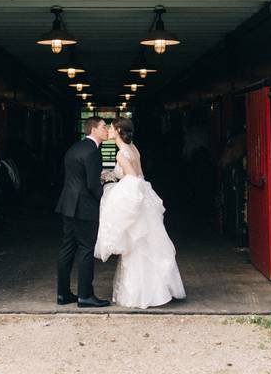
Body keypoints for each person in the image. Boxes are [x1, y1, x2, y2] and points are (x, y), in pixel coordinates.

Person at [95, 117, 186, 309]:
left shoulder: (121, 154)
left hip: (135, 200)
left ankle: (140, 294)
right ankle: (158, 289)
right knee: (149, 244)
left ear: (118, 130)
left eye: (111, 129)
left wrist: (111, 192)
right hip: (145, 199)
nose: (109, 132)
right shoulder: (134, 148)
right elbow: (139, 176)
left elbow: (133, 180)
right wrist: (111, 175)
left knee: (136, 247)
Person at [54, 116, 111, 308]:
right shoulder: (93, 151)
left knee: (67, 249)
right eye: (104, 126)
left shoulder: (75, 148)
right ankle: (85, 296)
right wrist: (105, 199)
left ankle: (63, 294)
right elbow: (92, 184)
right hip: (84, 207)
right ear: (93, 129)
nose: (107, 129)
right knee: (86, 249)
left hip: (67, 204)